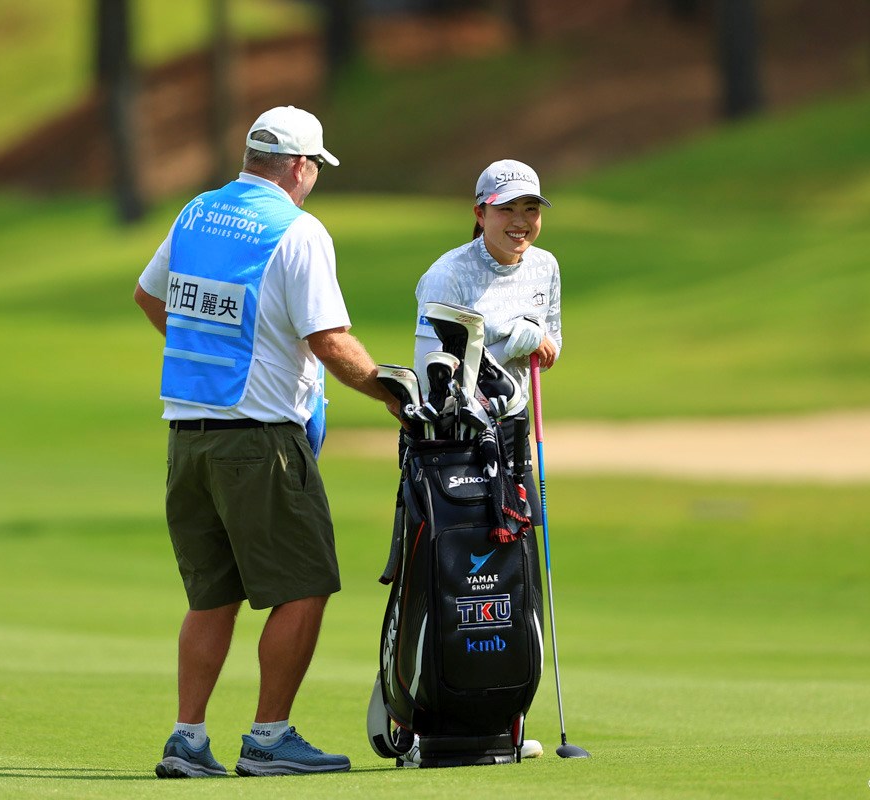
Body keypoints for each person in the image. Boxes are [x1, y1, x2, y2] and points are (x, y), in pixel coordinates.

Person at [134, 105, 401, 779]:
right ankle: (269, 738)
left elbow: (149, 296)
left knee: (211, 595)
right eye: (314, 168)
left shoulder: (195, 212)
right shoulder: (298, 231)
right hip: (260, 442)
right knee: (306, 581)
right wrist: (390, 392)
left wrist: (217, 351)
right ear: (299, 166)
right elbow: (329, 341)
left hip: (187, 438)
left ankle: (187, 738)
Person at [413, 158, 563, 518]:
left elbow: (552, 347)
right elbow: (428, 374)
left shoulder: (546, 266)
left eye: (530, 209)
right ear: (480, 214)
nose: (520, 221)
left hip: (515, 423)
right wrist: (511, 339)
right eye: (506, 209)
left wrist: (537, 338)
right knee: (466, 549)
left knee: (519, 548)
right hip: (458, 437)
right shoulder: (446, 275)